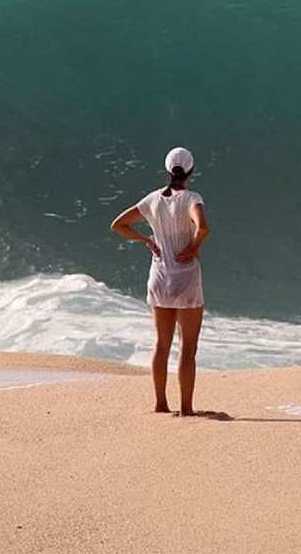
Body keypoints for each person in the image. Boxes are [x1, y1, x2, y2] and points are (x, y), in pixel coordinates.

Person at [110, 147, 210, 416]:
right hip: (186, 278)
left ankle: (160, 404)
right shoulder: (192, 198)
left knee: (161, 344)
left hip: (159, 277)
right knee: (187, 349)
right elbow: (203, 227)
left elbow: (118, 225)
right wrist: (193, 247)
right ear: (191, 171)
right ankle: (186, 409)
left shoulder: (152, 200)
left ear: (167, 171)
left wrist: (146, 240)